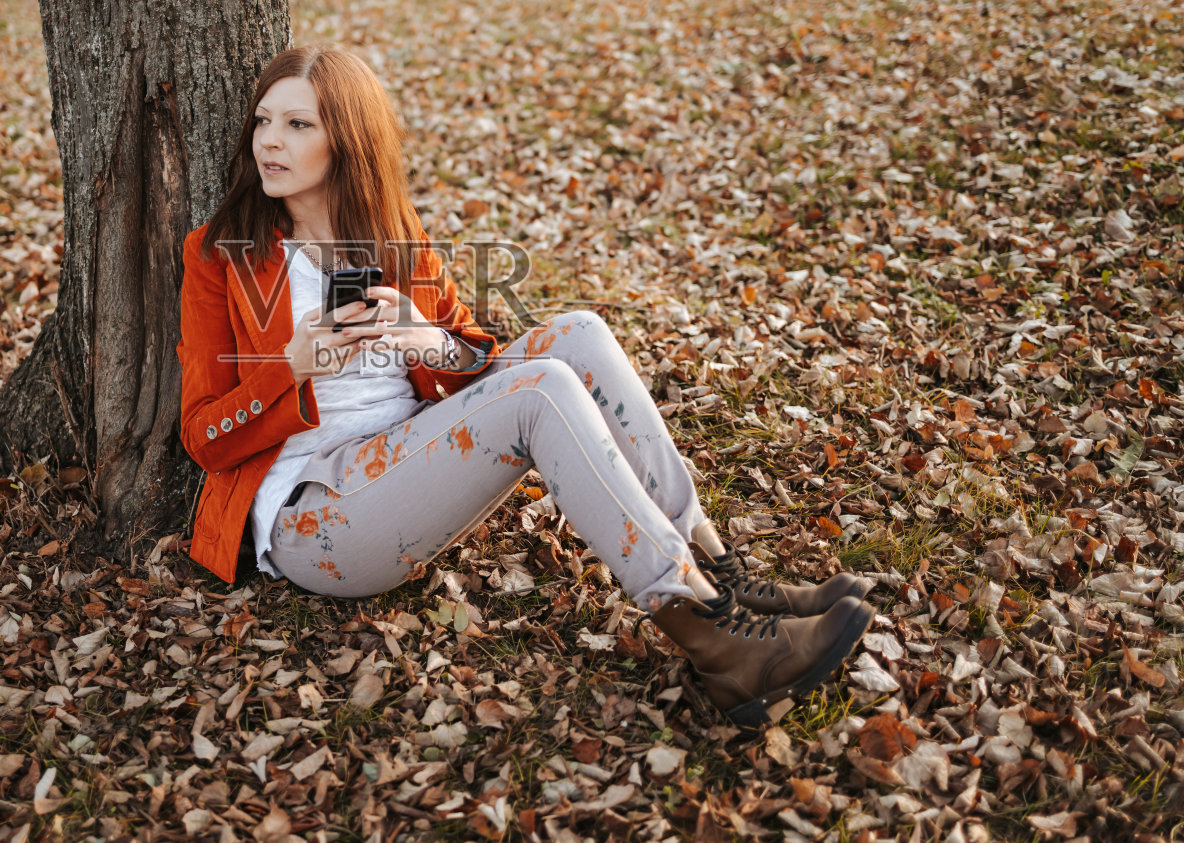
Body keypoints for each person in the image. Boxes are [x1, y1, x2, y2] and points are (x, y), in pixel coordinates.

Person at [177, 45, 874, 728]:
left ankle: (721, 577)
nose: (271, 141)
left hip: (405, 459)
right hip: (316, 513)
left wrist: (423, 337)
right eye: (264, 121)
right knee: (539, 389)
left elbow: (471, 355)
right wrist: (290, 369)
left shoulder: (388, 232)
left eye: (298, 124)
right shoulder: (217, 255)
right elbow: (202, 435)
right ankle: (718, 645)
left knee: (578, 332)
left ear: (347, 140)